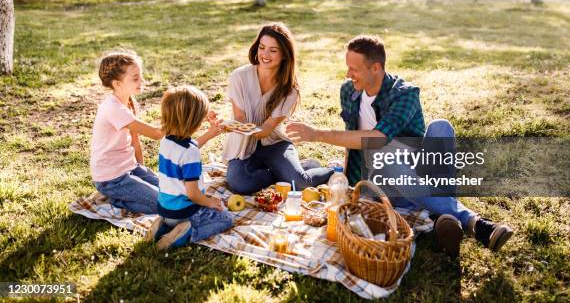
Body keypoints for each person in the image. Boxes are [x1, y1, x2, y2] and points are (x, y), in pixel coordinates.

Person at [286, 35, 513, 255]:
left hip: (417, 170)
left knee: (441, 128)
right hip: (383, 181)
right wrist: (349, 184)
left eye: (354, 69)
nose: (348, 74)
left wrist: (317, 134)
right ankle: (470, 221)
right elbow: (351, 138)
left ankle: (439, 213)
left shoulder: (405, 94)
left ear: (376, 68)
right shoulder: (349, 91)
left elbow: (378, 137)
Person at [223, 23, 333, 194]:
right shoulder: (239, 77)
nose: (265, 55)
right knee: (239, 184)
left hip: (274, 143)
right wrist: (228, 125)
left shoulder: (290, 90)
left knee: (300, 184)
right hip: (243, 146)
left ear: (284, 55)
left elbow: (266, 130)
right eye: (262, 47)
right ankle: (284, 173)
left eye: (273, 50)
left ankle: (333, 169)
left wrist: (236, 127)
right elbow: (240, 118)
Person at [150, 85, 233, 249]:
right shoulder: (191, 153)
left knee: (173, 218)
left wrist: (210, 134)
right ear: (194, 120)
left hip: (165, 210)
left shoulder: (166, 141)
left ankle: (163, 227)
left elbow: (188, 149)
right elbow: (193, 194)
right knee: (226, 219)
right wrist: (210, 202)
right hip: (185, 213)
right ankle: (186, 233)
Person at [90, 51, 164, 215]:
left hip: (130, 168)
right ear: (117, 84)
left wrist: (142, 171)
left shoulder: (130, 102)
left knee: (172, 193)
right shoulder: (113, 109)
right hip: (111, 179)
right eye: (135, 78)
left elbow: (135, 141)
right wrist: (180, 115)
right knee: (164, 205)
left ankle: (128, 193)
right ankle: (115, 199)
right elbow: (157, 134)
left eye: (141, 76)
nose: (142, 81)